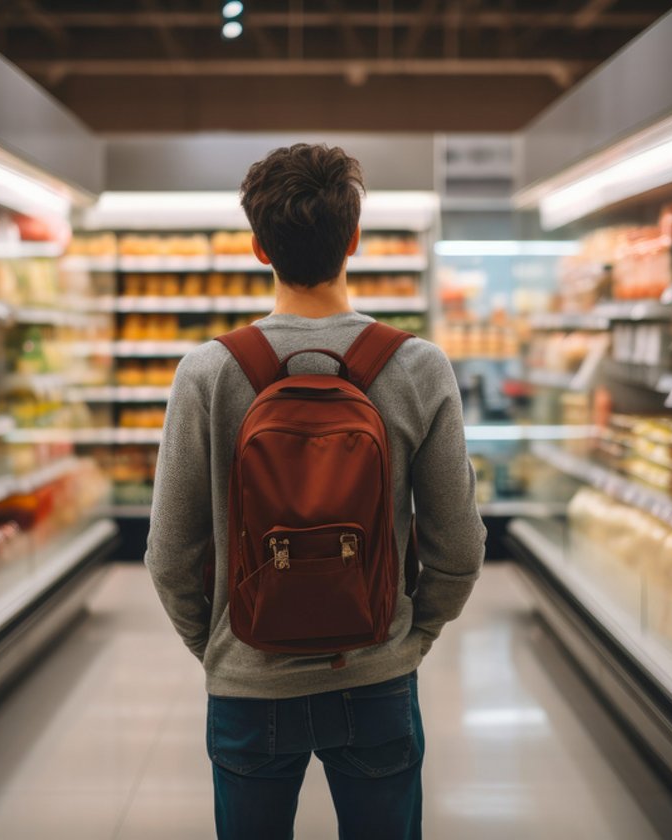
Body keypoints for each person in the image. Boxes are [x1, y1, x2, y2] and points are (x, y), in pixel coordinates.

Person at [146, 143, 486, 839]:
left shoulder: (207, 372)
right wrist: (408, 638)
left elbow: (170, 553)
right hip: (376, 677)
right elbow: (459, 546)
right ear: (354, 239)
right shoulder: (418, 367)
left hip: (249, 682)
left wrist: (220, 647)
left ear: (258, 248)